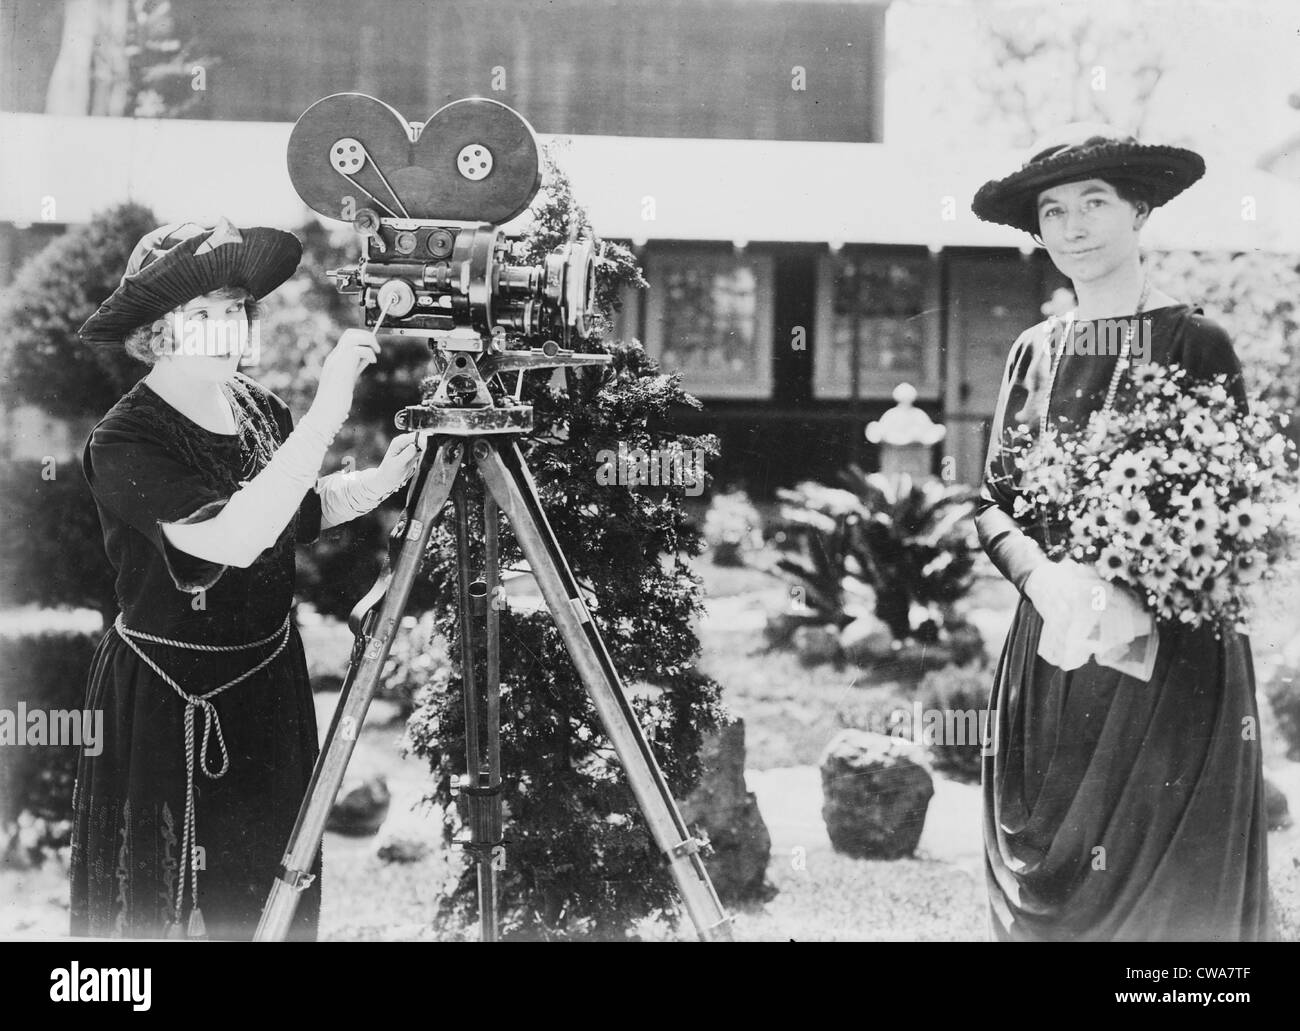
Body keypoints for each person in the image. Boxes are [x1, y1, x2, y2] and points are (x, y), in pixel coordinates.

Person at [69, 218, 421, 940]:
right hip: (169, 699)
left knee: (273, 888)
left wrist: (380, 482)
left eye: (236, 311)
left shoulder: (256, 406)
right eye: (205, 315)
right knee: (164, 903)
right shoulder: (125, 438)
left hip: (269, 682)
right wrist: (327, 411)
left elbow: (295, 509)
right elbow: (235, 535)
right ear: (159, 330)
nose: (228, 330)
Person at [969, 125, 1270, 941]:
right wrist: (1044, 578)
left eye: (1095, 202)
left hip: (1168, 661)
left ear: (1139, 209)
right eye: (1053, 210)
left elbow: (1235, 506)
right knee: (1052, 861)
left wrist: (1129, 587)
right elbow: (991, 500)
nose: (1073, 225)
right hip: (1054, 649)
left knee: (1164, 893)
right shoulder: (1033, 352)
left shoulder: (1194, 342)